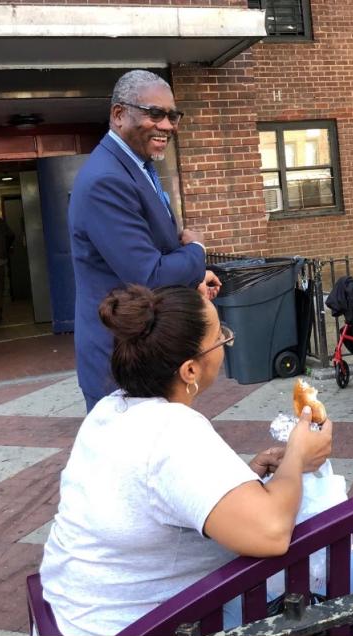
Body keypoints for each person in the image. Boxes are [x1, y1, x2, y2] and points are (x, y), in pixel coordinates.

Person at [40, 284, 333, 636]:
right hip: (136, 627)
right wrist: (298, 454)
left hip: (75, 613)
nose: (227, 342)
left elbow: (154, 496)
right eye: (220, 337)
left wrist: (246, 477)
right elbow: (271, 533)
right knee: (350, 571)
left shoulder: (111, 408)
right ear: (190, 370)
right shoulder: (173, 432)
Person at [69, 69, 221, 411]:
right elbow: (149, 275)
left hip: (145, 356)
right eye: (155, 113)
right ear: (119, 114)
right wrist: (196, 250)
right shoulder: (106, 179)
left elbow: (149, 253)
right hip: (121, 363)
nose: (167, 125)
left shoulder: (136, 167)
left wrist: (192, 279)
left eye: (172, 115)